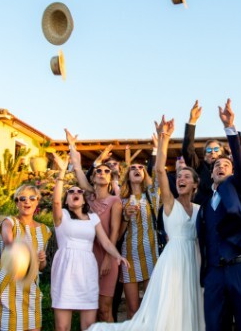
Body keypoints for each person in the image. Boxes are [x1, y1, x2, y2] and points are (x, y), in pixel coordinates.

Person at [89, 116, 205, 330]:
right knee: (165, 306)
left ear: (196, 184)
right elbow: (160, 170)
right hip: (173, 259)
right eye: (179, 175)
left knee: (189, 303)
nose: (181, 178)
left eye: (187, 176)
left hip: (193, 258)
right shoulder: (169, 202)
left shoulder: (200, 210)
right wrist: (164, 138)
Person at [196, 99, 241, 331]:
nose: (220, 167)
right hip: (214, 273)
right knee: (214, 327)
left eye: (225, 164)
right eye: (216, 166)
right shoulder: (204, 206)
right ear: (211, 174)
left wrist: (230, 128)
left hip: (240, 269)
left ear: (232, 171)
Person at [50, 143, 129, 331]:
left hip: (104, 257)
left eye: (106, 171)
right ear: (92, 178)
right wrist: (71, 149)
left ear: (111, 178)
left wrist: (113, 257)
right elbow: (77, 177)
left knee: (104, 309)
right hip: (84, 259)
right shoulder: (88, 198)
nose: (102, 173)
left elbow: (112, 236)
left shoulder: (114, 201)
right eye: (98, 171)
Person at [0, 184, 51, 331]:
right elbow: (8, 241)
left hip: (31, 288)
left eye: (32, 198)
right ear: (17, 203)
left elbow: (41, 268)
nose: (27, 202)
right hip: (9, 288)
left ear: (37, 201)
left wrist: (42, 260)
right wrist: (17, 248)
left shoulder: (45, 230)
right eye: (22, 198)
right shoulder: (10, 222)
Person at [118, 156, 159, 318]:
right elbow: (118, 234)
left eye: (140, 168)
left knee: (152, 306)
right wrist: (126, 217)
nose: (137, 170)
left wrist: (160, 144)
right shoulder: (121, 201)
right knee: (133, 308)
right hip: (129, 257)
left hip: (151, 254)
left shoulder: (153, 196)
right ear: (128, 175)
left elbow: (159, 169)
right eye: (133, 168)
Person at [182, 99, 225, 205]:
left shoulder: (228, 169)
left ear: (221, 153)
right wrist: (192, 121)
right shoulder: (199, 167)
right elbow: (188, 150)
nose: (212, 152)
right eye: (209, 150)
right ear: (205, 155)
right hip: (203, 212)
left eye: (216, 150)